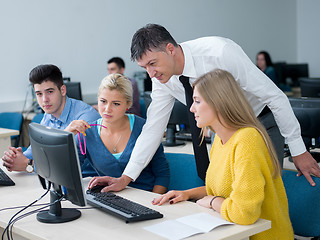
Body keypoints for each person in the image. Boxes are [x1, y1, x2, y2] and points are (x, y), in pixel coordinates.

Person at [97, 23, 320, 192]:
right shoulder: (161, 79)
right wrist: (126, 177)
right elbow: (154, 127)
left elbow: (276, 97)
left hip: (261, 123)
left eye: (153, 63)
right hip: (221, 132)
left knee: (262, 194)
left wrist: (299, 150)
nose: (151, 74)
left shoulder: (219, 53)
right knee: (225, 193)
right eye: (145, 67)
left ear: (171, 49)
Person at [153, 69, 294, 239]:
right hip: (233, 232)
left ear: (218, 103)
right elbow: (225, 189)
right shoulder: (220, 139)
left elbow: (244, 213)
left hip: (262, 236)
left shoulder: (247, 139)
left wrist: (212, 202)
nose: (191, 108)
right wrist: (187, 194)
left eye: (197, 101)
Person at [78, 73, 169, 194]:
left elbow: (162, 174)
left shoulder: (144, 128)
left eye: (116, 103)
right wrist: (67, 134)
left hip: (145, 198)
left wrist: (154, 202)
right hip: (110, 200)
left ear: (128, 104)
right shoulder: (86, 133)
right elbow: (68, 172)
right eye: (103, 101)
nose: (107, 109)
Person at [1, 64, 100, 172]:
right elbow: (35, 151)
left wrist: (28, 164)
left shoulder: (85, 119)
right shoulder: (49, 115)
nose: (44, 100)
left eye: (50, 92)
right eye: (39, 94)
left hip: (87, 183)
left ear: (62, 90)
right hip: (58, 182)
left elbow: (67, 164)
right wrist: (14, 159)